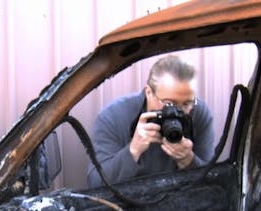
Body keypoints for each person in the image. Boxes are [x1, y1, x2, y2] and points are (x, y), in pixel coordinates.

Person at [87, 55, 214, 188]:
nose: (178, 111)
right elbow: (95, 183)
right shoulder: (113, 117)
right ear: (149, 92)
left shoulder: (198, 113)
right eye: (169, 103)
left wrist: (188, 159)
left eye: (187, 103)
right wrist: (133, 151)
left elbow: (211, 182)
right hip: (129, 203)